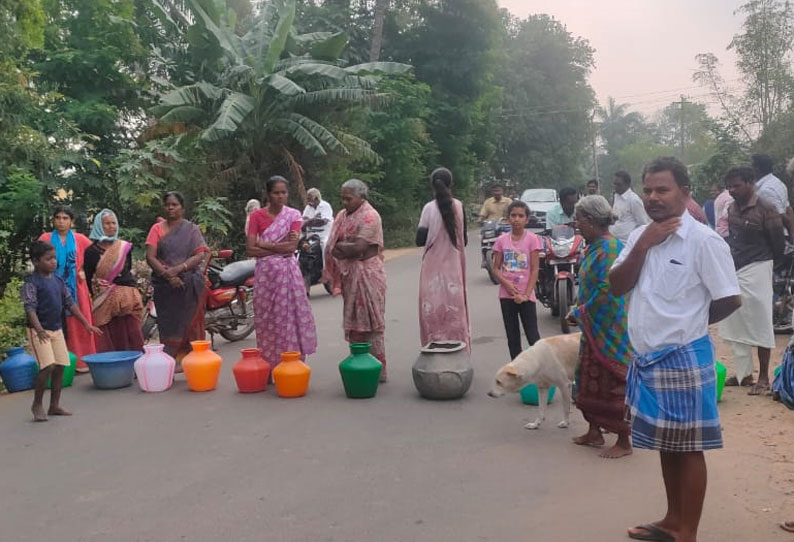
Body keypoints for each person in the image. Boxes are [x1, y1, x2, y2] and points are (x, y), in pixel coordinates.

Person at [609, 156, 741, 542]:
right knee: (668, 445)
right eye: (648, 189)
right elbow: (617, 286)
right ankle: (671, 520)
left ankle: (688, 531)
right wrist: (644, 245)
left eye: (662, 189)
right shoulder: (638, 236)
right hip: (648, 360)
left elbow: (729, 299)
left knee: (689, 448)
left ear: (684, 193)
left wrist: (692, 323)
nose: (653, 197)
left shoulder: (704, 241)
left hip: (683, 357)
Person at [568, 195, 633, 459]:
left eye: (580, 219)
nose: (577, 225)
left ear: (592, 221)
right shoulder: (593, 247)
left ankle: (624, 440)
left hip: (610, 327)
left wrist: (581, 311)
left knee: (613, 381)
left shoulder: (610, 249)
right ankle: (594, 430)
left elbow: (607, 288)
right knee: (587, 376)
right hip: (592, 326)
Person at [719, 166, 785, 394]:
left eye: (736, 185)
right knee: (735, 318)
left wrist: (767, 267)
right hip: (736, 268)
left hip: (759, 267)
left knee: (760, 320)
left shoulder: (767, 209)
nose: (732, 190)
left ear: (750, 183)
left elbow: (778, 246)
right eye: (729, 186)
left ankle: (764, 377)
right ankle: (744, 373)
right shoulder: (732, 209)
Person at [22, 241, 101, 421]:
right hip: (39, 331)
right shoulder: (31, 283)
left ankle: (54, 405)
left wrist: (86, 324)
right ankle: (37, 404)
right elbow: (30, 308)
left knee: (60, 365)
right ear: (35, 261)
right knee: (46, 366)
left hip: (56, 329)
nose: (53, 262)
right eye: (48, 259)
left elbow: (70, 304)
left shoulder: (58, 280)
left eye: (54, 259)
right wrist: (39, 329)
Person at [247, 176, 317, 368]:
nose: (280, 196)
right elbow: (250, 249)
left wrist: (264, 244)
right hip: (266, 275)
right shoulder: (256, 216)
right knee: (267, 319)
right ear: (268, 195)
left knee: (289, 318)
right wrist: (277, 246)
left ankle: (292, 363)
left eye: (283, 192)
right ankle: (270, 364)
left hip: (288, 273)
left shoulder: (294, 215)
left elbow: (291, 247)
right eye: (276, 193)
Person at [324, 179, 388, 381]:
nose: (344, 202)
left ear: (361, 197)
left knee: (371, 324)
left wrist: (344, 247)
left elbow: (358, 247)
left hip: (368, 275)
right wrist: (345, 247)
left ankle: (377, 370)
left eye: (349, 198)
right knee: (355, 325)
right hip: (350, 275)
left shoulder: (370, 216)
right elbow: (333, 246)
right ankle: (359, 366)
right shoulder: (342, 216)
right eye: (342, 198)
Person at [145, 192, 210, 362]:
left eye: (175, 204)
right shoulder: (156, 229)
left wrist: (179, 268)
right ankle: (170, 363)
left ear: (182, 208)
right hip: (165, 288)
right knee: (169, 326)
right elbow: (150, 256)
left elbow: (200, 254)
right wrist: (167, 275)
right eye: (167, 205)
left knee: (192, 326)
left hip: (189, 285)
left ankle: (196, 363)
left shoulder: (191, 229)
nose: (170, 208)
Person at [415, 167, 470, 350]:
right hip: (454, 269)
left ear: (432, 185)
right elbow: (465, 239)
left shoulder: (428, 209)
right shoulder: (460, 207)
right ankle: (459, 349)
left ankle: (433, 349)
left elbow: (419, 240)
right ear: (450, 183)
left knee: (432, 310)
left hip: (432, 269)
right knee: (454, 309)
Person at [39, 206, 96, 372]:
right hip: (51, 287)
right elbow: (38, 258)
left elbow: (96, 256)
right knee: (56, 323)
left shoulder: (80, 239)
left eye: (65, 218)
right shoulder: (46, 238)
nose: (61, 221)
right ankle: (61, 364)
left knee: (80, 322)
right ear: (53, 220)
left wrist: (84, 271)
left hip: (76, 288)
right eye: (58, 218)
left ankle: (83, 362)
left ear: (71, 221)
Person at [84, 209, 145, 352]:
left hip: (127, 299)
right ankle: (114, 368)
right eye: (107, 224)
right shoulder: (91, 252)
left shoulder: (124, 247)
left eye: (114, 223)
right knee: (111, 335)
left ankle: (136, 366)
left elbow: (126, 271)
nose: (111, 226)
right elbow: (89, 278)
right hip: (104, 300)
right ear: (99, 226)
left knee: (133, 333)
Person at [492, 200, 542, 360]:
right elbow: (496, 268)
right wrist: (505, 283)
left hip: (526, 296)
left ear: (527, 219)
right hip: (507, 297)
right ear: (508, 218)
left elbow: (534, 269)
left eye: (521, 216)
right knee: (513, 338)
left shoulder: (533, 239)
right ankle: (517, 372)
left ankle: (539, 370)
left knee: (533, 337)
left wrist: (526, 295)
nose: (516, 219)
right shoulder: (501, 241)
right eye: (513, 215)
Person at [753, 153, 794, 237]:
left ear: (757, 168)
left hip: (777, 236)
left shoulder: (765, 190)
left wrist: (791, 234)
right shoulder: (777, 182)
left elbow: (779, 216)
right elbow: (788, 209)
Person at [610, 170, 650, 242]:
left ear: (627, 184)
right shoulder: (616, 197)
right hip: (614, 241)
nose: (615, 187)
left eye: (618, 184)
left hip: (627, 242)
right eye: (614, 184)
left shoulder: (634, 200)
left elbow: (643, 223)